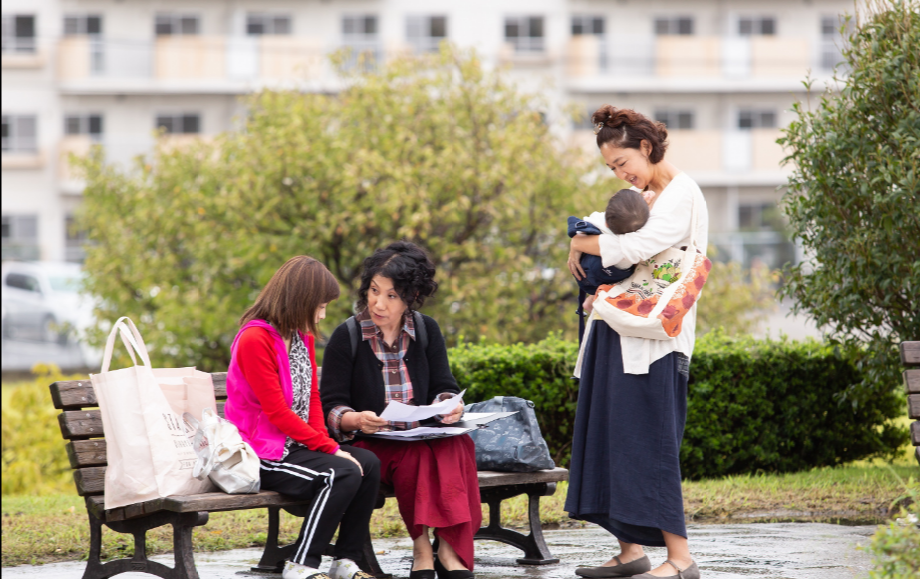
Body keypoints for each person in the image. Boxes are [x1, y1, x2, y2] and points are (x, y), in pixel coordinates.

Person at [564, 105, 709, 579]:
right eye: (611, 168)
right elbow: (599, 220)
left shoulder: (682, 195)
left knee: (651, 443)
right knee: (610, 437)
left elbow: (634, 249)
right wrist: (582, 236)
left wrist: (579, 243)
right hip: (616, 329)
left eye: (623, 162)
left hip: (657, 342)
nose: (620, 174)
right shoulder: (640, 194)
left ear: (645, 148)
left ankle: (681, 559)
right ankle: (629, 550)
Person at [321, 241, 481, 579]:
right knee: (418, 458)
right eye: (374, 291)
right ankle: (422, 548)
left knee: (458, 443)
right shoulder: (347, 336)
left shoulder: (425, 330)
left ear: (411, 297)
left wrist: (448, 407)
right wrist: (356, 419)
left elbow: (444, 385)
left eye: (392, 296)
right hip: (371, 442)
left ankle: (448, 549)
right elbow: (331, 407)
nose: (378, 303)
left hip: (419, 434)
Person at [224, 256, 381, 579]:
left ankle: (346, 561)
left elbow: (311, 398)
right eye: (320, 306)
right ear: (300, 301)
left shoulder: (301, 337)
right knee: (342, 473)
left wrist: (326, 444)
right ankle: (301, 564)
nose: (322, 314)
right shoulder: (255, 339)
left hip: (295, 445)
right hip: (262, 451)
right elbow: (277, 411)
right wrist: (330, 450)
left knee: (368, 463)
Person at [569, 188, 651, 320]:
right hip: (610, 277)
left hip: (589, 271)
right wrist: (646, 206)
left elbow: (582, 228)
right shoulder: (627, 245)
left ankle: (589, 302)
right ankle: (590, 302)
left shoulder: (598, 220)